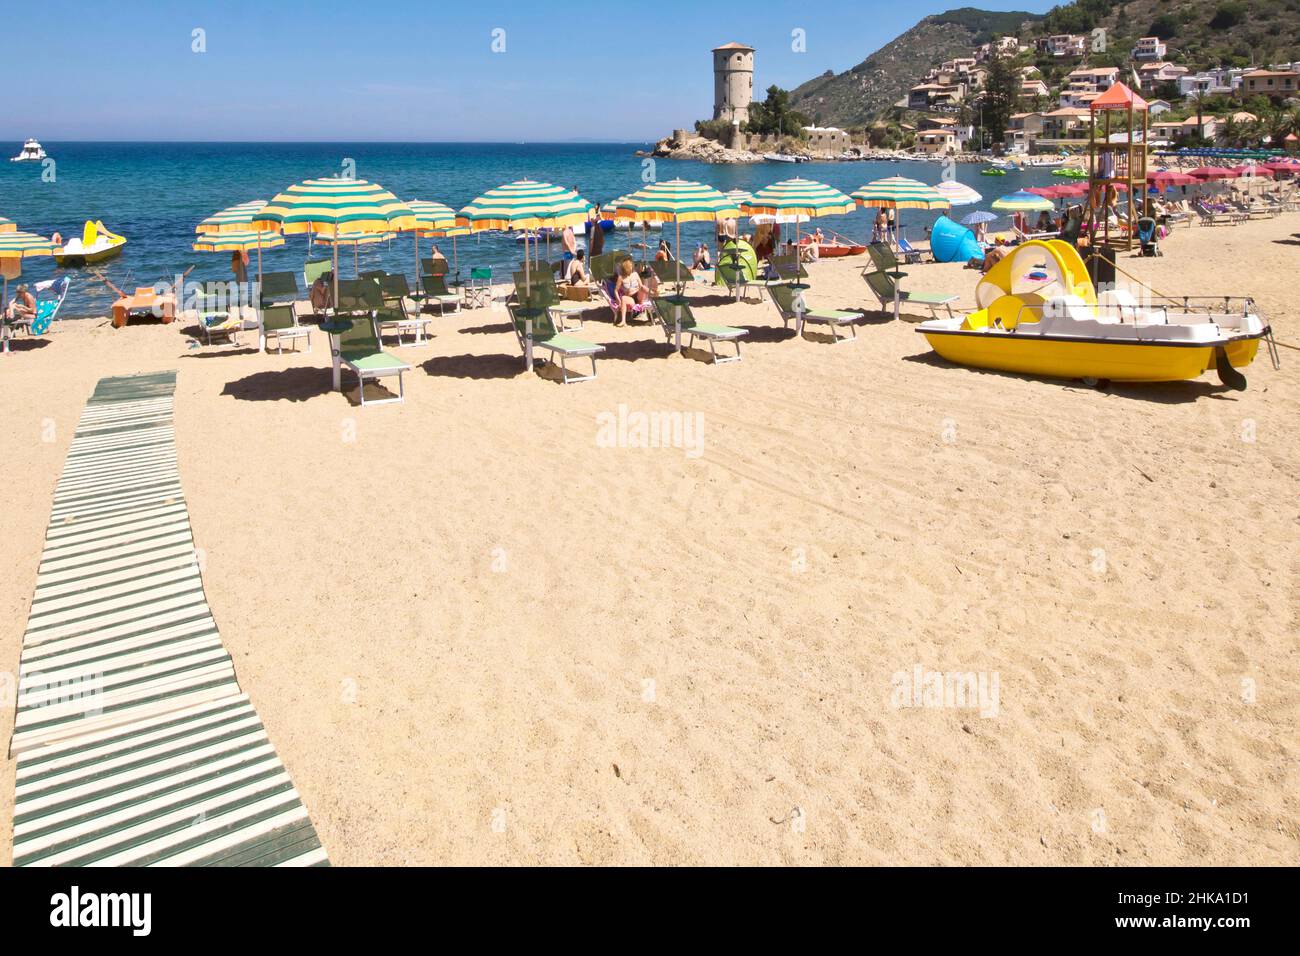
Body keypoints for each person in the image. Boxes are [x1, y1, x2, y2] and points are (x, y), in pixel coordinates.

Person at [614, 257, 644, 327]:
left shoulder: (635, 274)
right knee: (623, 298)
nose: (632, 268)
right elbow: (615, 290)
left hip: (639, 296)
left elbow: (641, 286)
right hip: (630, 299)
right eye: (630, 266)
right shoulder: (621, 278)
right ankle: (623, 321)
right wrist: (618, 300)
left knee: (643, 288)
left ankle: (651, 296)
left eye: (631, 266)